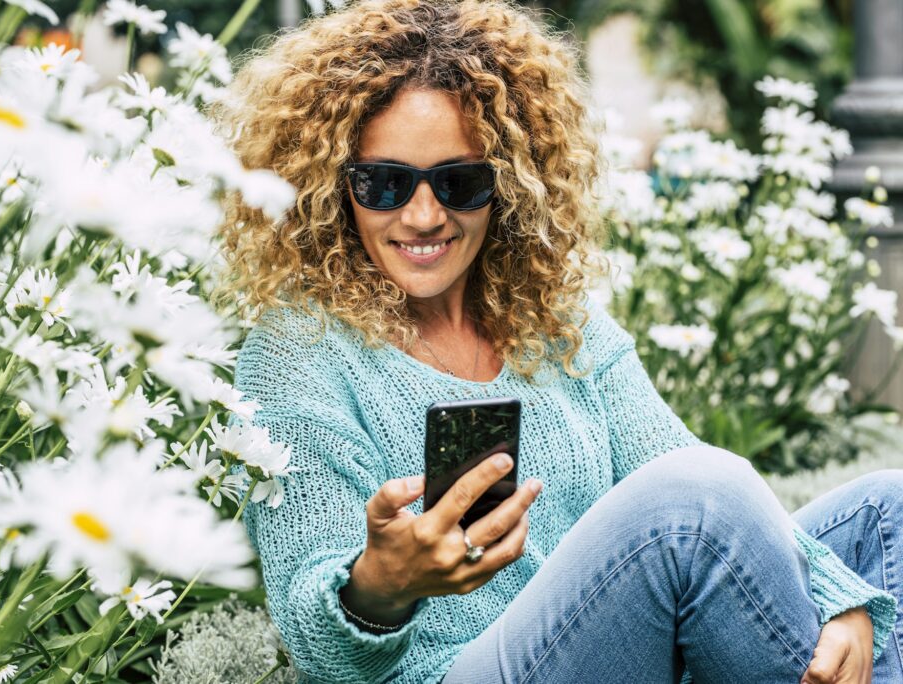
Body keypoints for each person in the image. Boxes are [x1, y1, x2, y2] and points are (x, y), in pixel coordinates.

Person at [210, 1, 902, 682]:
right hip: (449, 673)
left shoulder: (555, 322)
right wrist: (381, 589)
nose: (423, 216)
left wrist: (841, 596)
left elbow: (675, 460)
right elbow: (319, 645)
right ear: (334, 188)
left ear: (508, 185)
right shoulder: (295, 355)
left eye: (459, 182)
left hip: (609, 646)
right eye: (384, 184)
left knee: (886, 513)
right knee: (697, 501)